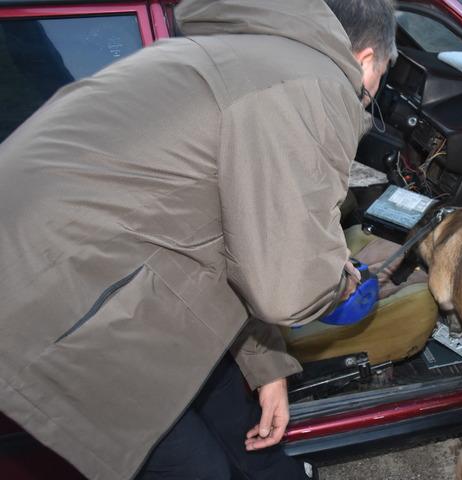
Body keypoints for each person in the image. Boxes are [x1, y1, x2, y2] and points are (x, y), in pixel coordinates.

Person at [0, 0, 396, 478]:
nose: (371, 93)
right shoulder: (314, 81)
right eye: (382, 78)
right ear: (368, 58)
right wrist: (343, 286)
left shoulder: (236, 52)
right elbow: (286, 288)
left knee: (241, 431)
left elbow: (238, 244)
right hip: (58, 307)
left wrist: (266, 368)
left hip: (104, 273)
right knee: (199, 469)